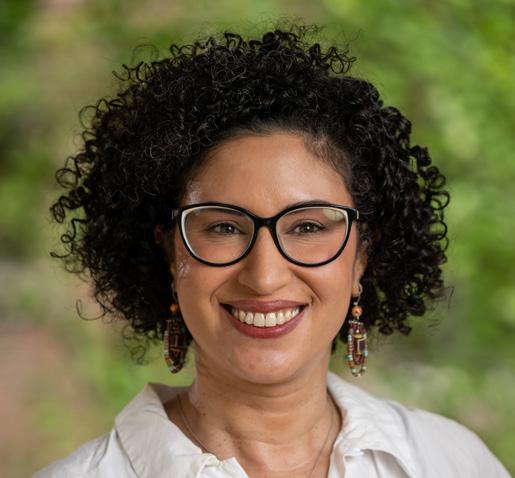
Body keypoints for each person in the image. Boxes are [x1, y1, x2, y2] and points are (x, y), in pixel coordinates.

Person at [34, 25, 510, 478]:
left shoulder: (453, 460)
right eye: (224, 227)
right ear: (170, 253)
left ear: (362, 256)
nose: (264, 276)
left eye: (307, 227)